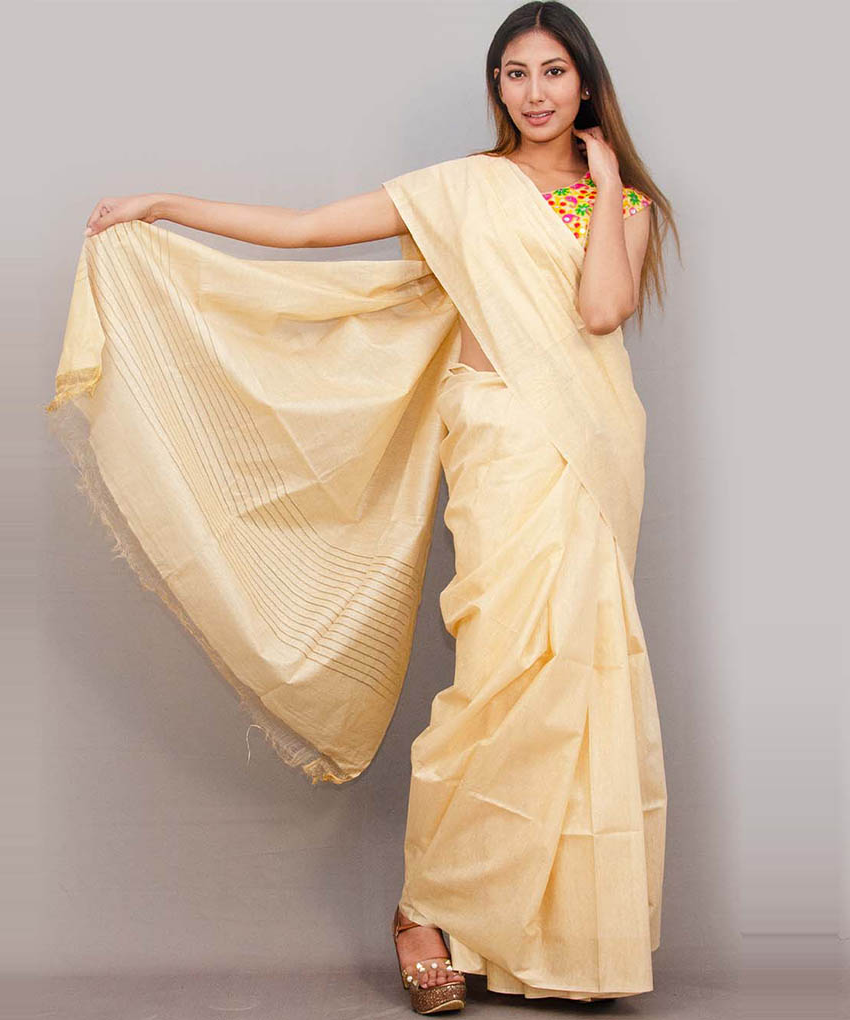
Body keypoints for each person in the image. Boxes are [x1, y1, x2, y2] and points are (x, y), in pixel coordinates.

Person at [48, 2, 678, 1011]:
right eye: (516, 73)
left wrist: (605, 187)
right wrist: (164, 204)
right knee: (501, 679)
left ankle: (553, 939)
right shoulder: (464, 188)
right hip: (500, 442)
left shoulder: (622, 203)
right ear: (497, 87)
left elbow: (603, 309)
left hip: (593, 449)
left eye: (554, 71)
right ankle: (427, 909)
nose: (535, 92)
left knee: (577, 680)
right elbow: (307, 230)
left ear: (586, 82)